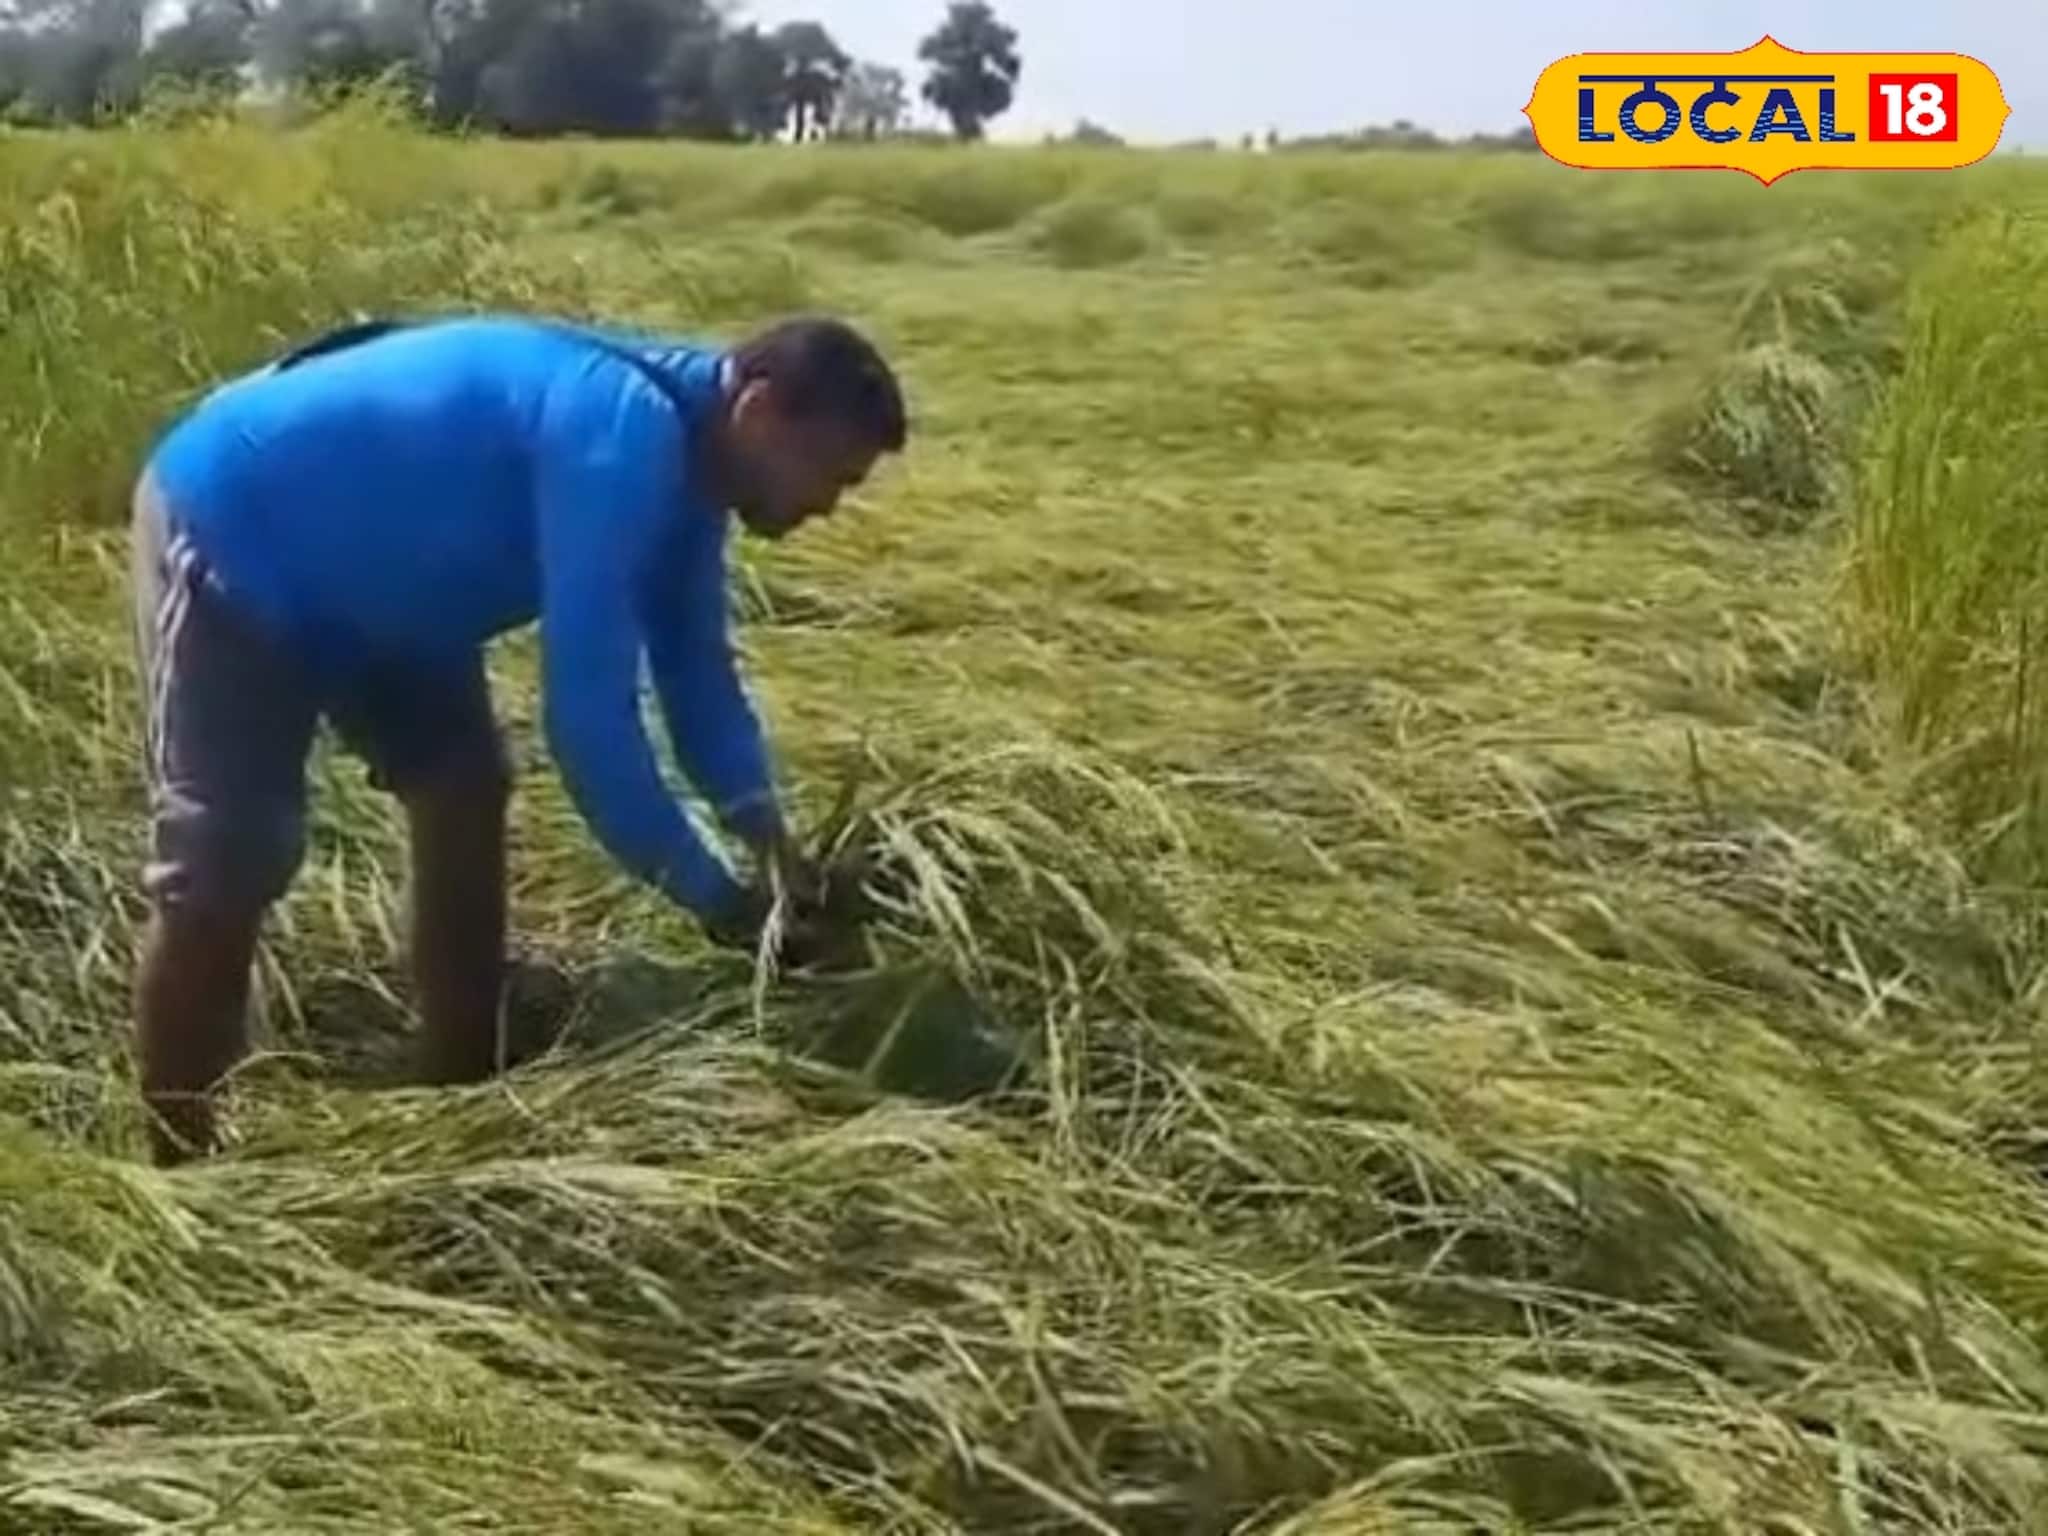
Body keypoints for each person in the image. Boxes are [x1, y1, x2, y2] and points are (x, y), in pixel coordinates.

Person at [129, 310, 907, 1165]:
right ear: (759, 411)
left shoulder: (698, 469)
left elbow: (698, 676)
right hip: (243, 540)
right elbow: (589, 722)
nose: (829, 506)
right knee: (226, 866)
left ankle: (458, 1095)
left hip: (395, 587)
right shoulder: (622, 437)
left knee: (465, 786)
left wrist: (772, 850)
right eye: (830, 474)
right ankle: (180, 1169)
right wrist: (719, 905)